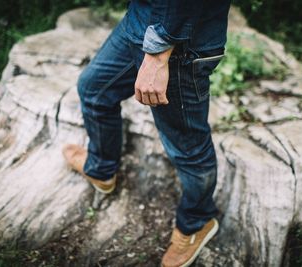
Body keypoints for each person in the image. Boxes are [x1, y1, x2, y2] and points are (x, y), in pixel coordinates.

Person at [62, 0, 231, 266]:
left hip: (178, 42)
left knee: (188, 145)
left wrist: (157, 53)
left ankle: (197, 221)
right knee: (94, 90)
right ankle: (102, 168)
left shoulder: (164, 45)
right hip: (141, 20)